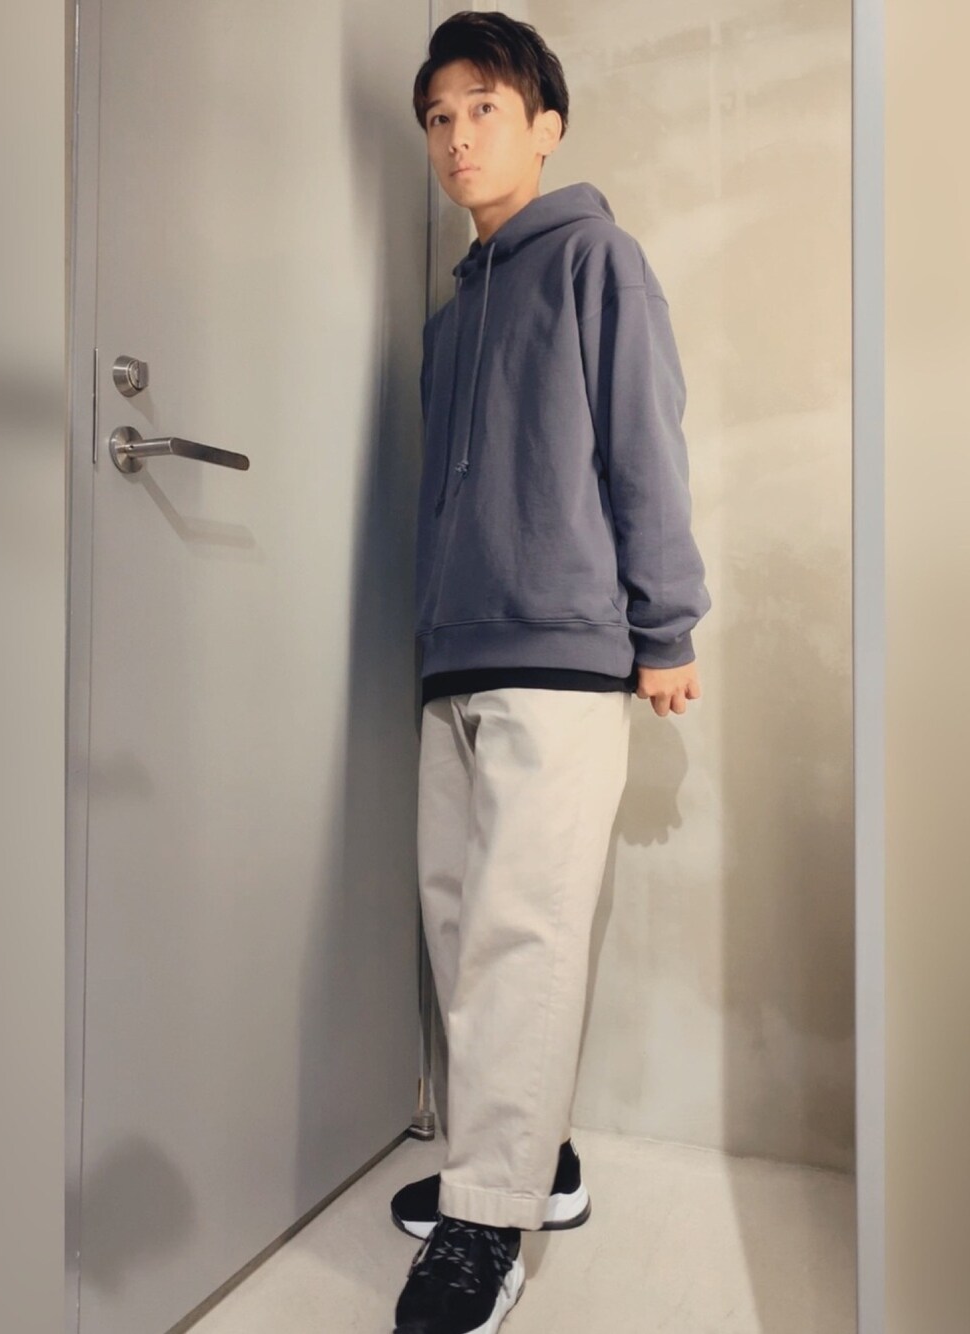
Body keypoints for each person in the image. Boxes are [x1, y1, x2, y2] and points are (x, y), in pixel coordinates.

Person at [391, 12, 711, 1333]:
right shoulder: (452, 317)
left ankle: (489, 1225)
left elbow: (645, 445)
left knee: (521, 936)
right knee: (461, 925)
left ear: (546, 125)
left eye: (485, 108)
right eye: (440, 117)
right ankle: (535, 1164)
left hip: (563, 658)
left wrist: (667, 628)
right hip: (457, 657)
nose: (458, 137)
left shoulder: (597, 261)